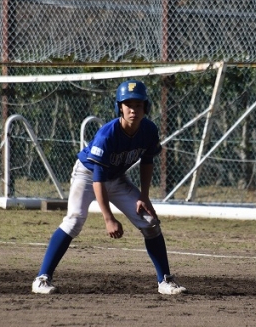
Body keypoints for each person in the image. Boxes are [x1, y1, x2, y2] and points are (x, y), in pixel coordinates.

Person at [32, 79, 187, 295]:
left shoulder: (149, 130)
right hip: (88, 175)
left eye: (138, 104)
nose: (133, 109)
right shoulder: (108, 134)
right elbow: (98, 178)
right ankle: (42, 279)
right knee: (74, 220)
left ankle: (165, 281)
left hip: (117, 177)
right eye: (128, 104)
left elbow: (147, 161)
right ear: (119, 107)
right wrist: (108, 218)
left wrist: (144, 196)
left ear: (146, 107)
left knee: (150, 222)